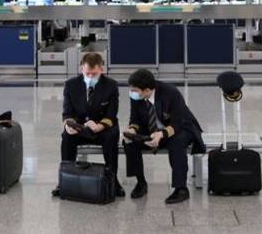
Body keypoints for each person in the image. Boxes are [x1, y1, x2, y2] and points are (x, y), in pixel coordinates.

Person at [122, 69, 204, 204]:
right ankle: (141, 182)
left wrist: (161, 134)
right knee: (129, 142)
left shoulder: (170, 93)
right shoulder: (136, 96)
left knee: (176, 144)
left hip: (181, 127)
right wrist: (132, 129)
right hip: (152, 127)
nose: (132, 93)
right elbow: (135, 117)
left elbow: (178, 121)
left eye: (135, 90)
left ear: (147, 90)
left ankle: (181, 188)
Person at [52, 52, 124, 198]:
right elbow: (67, 112)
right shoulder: (71, 85)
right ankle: (65, 179)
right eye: (87, 73)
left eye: (94, 74)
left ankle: (112, 179)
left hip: (103, 127)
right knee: (67, 137)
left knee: (111, 136)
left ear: (101, 70)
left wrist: (99, 126)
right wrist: (69, 125)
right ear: (81, 69)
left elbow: (111, 114)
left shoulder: (111, 86)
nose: (90, 77)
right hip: (80, 127)